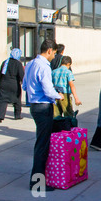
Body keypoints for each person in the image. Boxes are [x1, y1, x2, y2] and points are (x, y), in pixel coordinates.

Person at [23, 40, 63, 191]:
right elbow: (47, 89)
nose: (54, 56)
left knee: (41, 143)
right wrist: (58, 96)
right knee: (42, 145)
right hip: (43, 106)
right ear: (49, 50)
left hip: (34, 105)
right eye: (54, 53)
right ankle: (37, 183)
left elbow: (25, 85)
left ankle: (38, 180)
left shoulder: (31, 63)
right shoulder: (44, 66)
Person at [0, 48, 25, 123]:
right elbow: (21, 75)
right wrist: (24, 83)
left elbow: (1, 74)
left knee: (3, 101)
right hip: (14, 85)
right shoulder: (18, 64)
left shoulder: (5, 62)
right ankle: (17, 115)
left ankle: (0, 117)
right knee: (17, 100)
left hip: (4, 84)